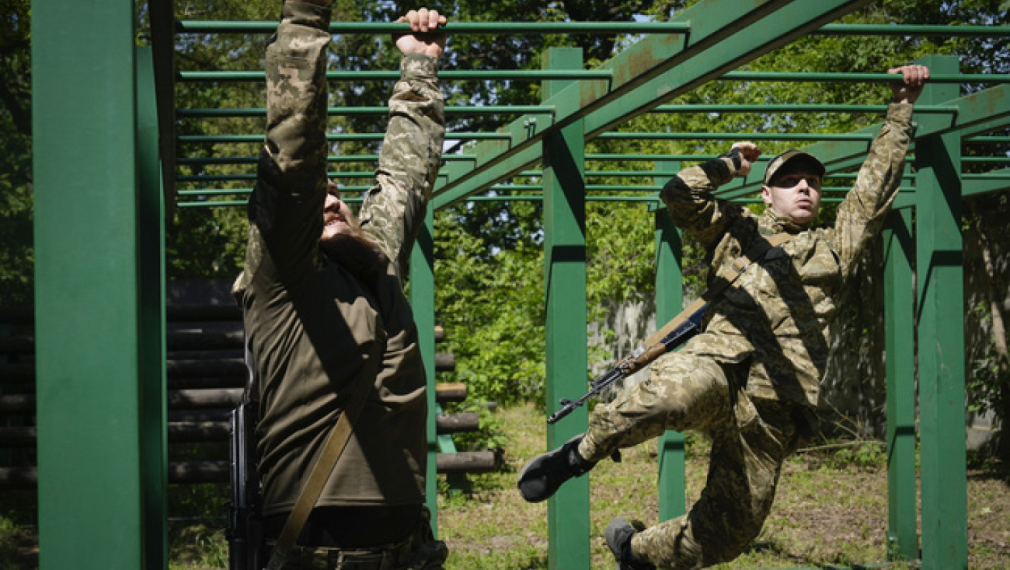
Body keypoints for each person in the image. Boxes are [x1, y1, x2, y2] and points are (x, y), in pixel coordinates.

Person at [517, 65, 930, 569]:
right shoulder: (737, 230)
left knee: (723, 537)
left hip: (775, 409)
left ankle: (632, 550)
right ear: (766, 192)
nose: (805, 188)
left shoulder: (836, 247)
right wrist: (728, 164)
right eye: (790, 180)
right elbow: (678, 195)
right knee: (671, 394)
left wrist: (901, 109)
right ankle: (579, 455)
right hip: (720, 365)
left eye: (814, 182)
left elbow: (874, 189)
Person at [232, 2, 449, 568]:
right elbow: (294, 155)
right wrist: (305, 18)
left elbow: (406, 173)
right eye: (317, 197)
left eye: (338, 194)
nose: (329, 199)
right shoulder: (283, 282)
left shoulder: (376, 264)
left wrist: (419, 68)